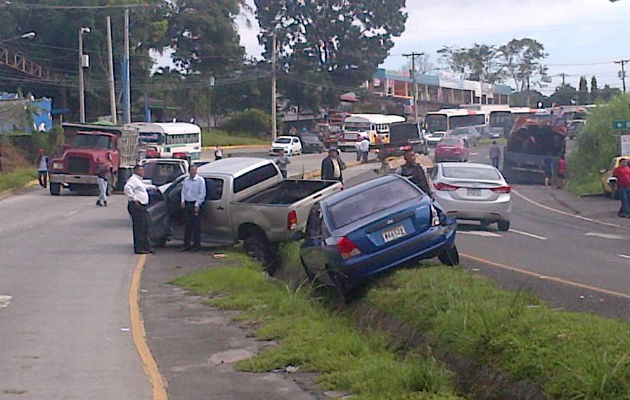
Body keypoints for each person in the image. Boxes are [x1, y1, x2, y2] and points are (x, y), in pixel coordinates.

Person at [124, 165, 153, 254]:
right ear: (135, 171)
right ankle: (139, 248)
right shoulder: (133, 180)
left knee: (145, 226)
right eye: (140, 170)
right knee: (139, 228)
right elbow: (127, 188)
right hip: (137, 206)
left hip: (142, 206)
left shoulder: (138, 180)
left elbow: (144, 187)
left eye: (142, 170)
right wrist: (133, 199)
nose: (142, 172)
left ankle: (146, 247)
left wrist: (155, 187)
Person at [180, 165, 206, 251]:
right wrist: (182, 201)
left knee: (196, 226)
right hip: (187, 204)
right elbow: (183, 191)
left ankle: (196, 245)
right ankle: (186, 245)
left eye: (194, 170)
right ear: (189, 171)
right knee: (188, 226)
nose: (193, 172)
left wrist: (197, 205)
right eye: (191, 170)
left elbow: (202, 193)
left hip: (195, 204)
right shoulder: (186, 180)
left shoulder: (200, 180)